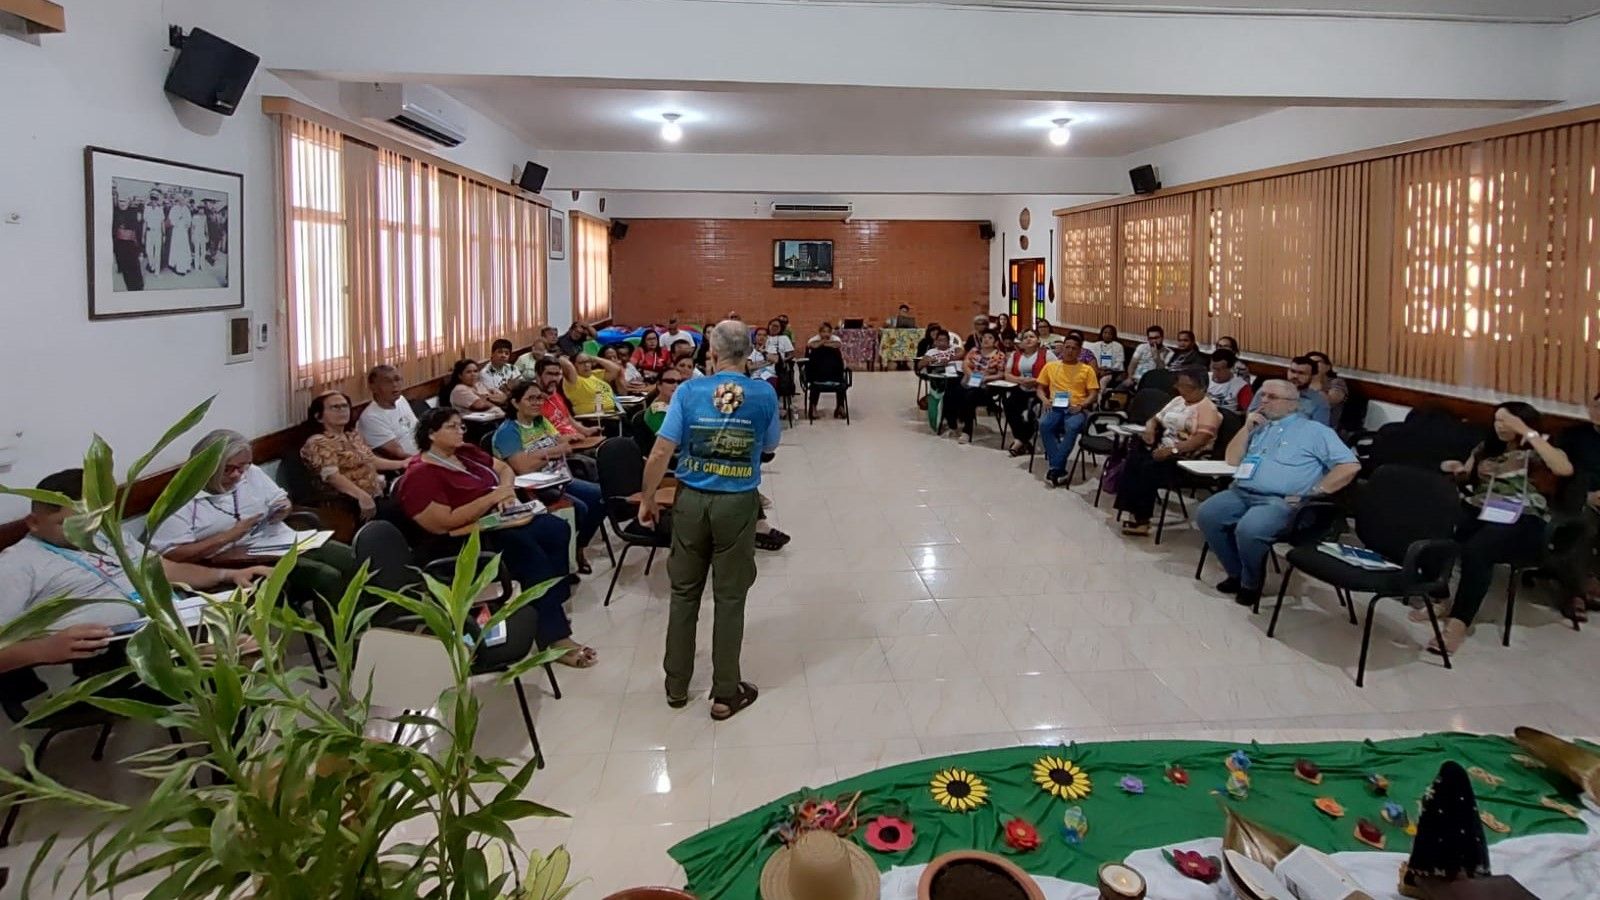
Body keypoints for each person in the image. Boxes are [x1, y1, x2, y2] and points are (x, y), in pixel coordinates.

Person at [0, 469, 270, 688]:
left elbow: (165, 570)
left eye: (92, 521)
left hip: (170, 626)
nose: (84, 533)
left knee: (251, 647)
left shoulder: (107, 536)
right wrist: (43, 649)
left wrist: (228, 574)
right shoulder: (17, 565)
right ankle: (232, 745)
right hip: (111, 658)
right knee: (234, 661)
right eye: (68, 524)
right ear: (33, 522)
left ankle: (240, 742)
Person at [637, 321, 781, 720]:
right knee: (730, 596)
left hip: (690, 500)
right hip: (736, 503)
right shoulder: (764, 392)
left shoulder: (688, 390)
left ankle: (676, 687)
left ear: (712, 354)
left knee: (684, 592)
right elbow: (769, 445)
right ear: (749, 353)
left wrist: (648, 498)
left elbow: (662, 449)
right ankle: (724, 692)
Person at [394, 408, 594, 667]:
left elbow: (504, 469)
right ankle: (555, 636)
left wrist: (506, 493)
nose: (460, 431)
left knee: (555, 529)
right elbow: (443, 524)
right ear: (431, 434)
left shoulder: (465, 453)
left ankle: (549, 606)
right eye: (452, 427)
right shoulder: (420, 475)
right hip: (464, 538)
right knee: (528, 553)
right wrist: (490, 498)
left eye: (461, 426)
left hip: (498, 519)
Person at [151, 430, 360, 627]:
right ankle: (339, 642)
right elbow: (172, 554)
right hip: (235, 563)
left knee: (352, 558)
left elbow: (281, 500)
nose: (238, 475)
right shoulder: (178, 499)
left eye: (243, 467)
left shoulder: (250, 473)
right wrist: (227, 537)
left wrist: (282, 509)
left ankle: (364, 629)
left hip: (276, 542)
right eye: (229, 469)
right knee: (327, 576)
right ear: (205, 466)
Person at [1195, 380, 1360, 608]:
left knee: (1250, 528)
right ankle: (1237, 573)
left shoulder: (1315, 431)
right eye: (1262, 395)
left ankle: (1251, 583)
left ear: (1293, 404)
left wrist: (1316, 490)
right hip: (1242, 492)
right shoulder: (1260, 426)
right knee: (1207, 514)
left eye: (1271, 397)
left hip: (1280, 501)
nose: (1263, 401)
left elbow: (1350, 466)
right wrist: (1246, 428)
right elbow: (1232, 460)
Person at [1424, 403, 1574, 653]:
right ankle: (1441, 596)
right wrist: (1457, 470)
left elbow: (1563, 468)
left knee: (1477, 550)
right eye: (1497, 420)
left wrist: (1526, 431)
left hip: (1522, 516)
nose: (1500, 426)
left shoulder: (1538, 448)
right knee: (1439, 526)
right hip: (1482, 508)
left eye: (1506, 421)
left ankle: (1458, 624)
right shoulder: (1486, 448)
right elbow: (1467, 475)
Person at [492, 381, 606, 574]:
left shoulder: (541, 421)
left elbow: (564, 443)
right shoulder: (508, 432)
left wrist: (545, 452)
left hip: (558, 477)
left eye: (539, 398)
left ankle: (579, 547)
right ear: (515, 403)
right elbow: (523, 467)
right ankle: (564, 559)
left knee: (601, 497)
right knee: (580, 508)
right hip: (531, 489)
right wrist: (553, 451)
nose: (537, 403)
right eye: (531, 399)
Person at [1114, 369, 1221, 536]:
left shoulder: (1208, 409)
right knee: (1134, 457)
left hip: (1183, 457)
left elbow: (1200, 440)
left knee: (1147, 467)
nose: (1179, 389)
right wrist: (1150, 428)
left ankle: (1142, 520)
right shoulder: (1178, 400)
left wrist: (1173, 450)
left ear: (1200, 388)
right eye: (1179, 385)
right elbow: (1155, 418)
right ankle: (1132, 510)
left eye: (1185, 386)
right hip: (1162, 446)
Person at [302, 391, 407, 522]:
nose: (342, 410)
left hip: (377, 493)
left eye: (345, 406)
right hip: (349, 502)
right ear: (319, 417)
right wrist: (362, 496)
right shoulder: (318, 442)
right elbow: (332, 477)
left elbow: (372, 460)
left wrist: (403, 463)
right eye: (335, 407)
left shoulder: (352, 435)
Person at [1553, 390, 1600, 616]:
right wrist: (1586, 495)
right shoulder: (1573, 435)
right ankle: (1574, 593)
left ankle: (1593, 581)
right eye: (1597, 407)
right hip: (1577, 498)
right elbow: (1563, 472)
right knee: (1582, 527)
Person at [1035, 333, 1100, 486]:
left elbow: (1094, 394)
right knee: (1044, 424)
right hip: (1054, 405)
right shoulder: (1051, 366)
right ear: (1062, 348)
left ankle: (1055, 466)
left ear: (1079, 351)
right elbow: (1039, 388)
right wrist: (1044, 400)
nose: (1070, 351)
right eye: (1067, 347)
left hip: (1076, 407)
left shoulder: (1086, 370)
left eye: (1074, 348)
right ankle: (1058, 468)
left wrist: (1082, 405)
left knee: (1072, 426)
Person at [945, 331, 1005, 443]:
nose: (986, 340)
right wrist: (973, 375)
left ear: (996, 342)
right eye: (984, 337)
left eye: (990, 338)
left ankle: (966, 431)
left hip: (987, 385)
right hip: (971, 378)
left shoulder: (999, 355)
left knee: (970, 395)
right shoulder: (974, 351)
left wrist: (985, 378)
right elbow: (965, 364)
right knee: (951, 391)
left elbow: (1001, 374)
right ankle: (952, 425)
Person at [1001, 329, 1052, 457]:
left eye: (1032, 336)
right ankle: (1023, 439)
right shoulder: (1015, 355)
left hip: (1040, 390)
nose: (1028, 339)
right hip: (1021, 388)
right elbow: (1007, 374)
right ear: (1021, 342)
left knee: (1031, 411)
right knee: (1008, 403)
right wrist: (1020, 380)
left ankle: (1019, 442)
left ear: (1038, 340)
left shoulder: (1047, 354)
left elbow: (1055, 373)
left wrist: (1037, 381)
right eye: (1025, 338)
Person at [357, 364, 420, 461]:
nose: (394, 385)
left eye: (397, 379)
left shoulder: (401, 400)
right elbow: (399, 454)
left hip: (427, 451)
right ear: (373, 387)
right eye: (387, 381)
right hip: (410, 463)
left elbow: (418, 428)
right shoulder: (371, 417)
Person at [1248, 356, 1331, 426]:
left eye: (1301, 373)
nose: (1295, 376)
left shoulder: (1319, 402)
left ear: (1312, 376)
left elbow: (1318, 431)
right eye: (1292, 371)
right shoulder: (1268, 389)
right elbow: (1250, 417)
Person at [536, 357, 602, 439]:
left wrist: (585, 430)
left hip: (577, 440)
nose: (554, 379)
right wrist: (566, 438)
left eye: (557, 374)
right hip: (560, 446)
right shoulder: (533, 401)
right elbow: (539, 438)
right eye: (549, 374)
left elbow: (568, 418)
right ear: (538, 375)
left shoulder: (556, 394)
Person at [1304, 351, 1350, 428]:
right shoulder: (1302, 382)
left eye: (1316, 362)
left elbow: (1329, 402)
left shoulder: (1337, 382)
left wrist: (1317, 382)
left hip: (1325, 427)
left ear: (1327, 367)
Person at [111, 194, 145, 291]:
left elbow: (139, 232)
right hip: (119, 245)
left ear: (129, 202)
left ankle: (138, 287)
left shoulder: (134, 213)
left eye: (124, 201)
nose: (122, 203)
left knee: (134, 268)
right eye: (120, 201)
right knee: (125, 270)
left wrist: (140, 250)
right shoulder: (115, 212)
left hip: (131, 245)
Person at [141, 192, 164, 274]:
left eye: (155, 200)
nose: (154, 201)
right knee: (148, 251)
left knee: (157, 252)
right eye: (152, 199)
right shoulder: (147, 209)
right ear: (150, 200)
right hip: (149, 232)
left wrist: (164, 235)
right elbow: (145, 223)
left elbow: (162, 223)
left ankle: (157, 271)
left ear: (157, 200)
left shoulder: (160, 209)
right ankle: (152, 265)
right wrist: (143, 236)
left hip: (158, 232)